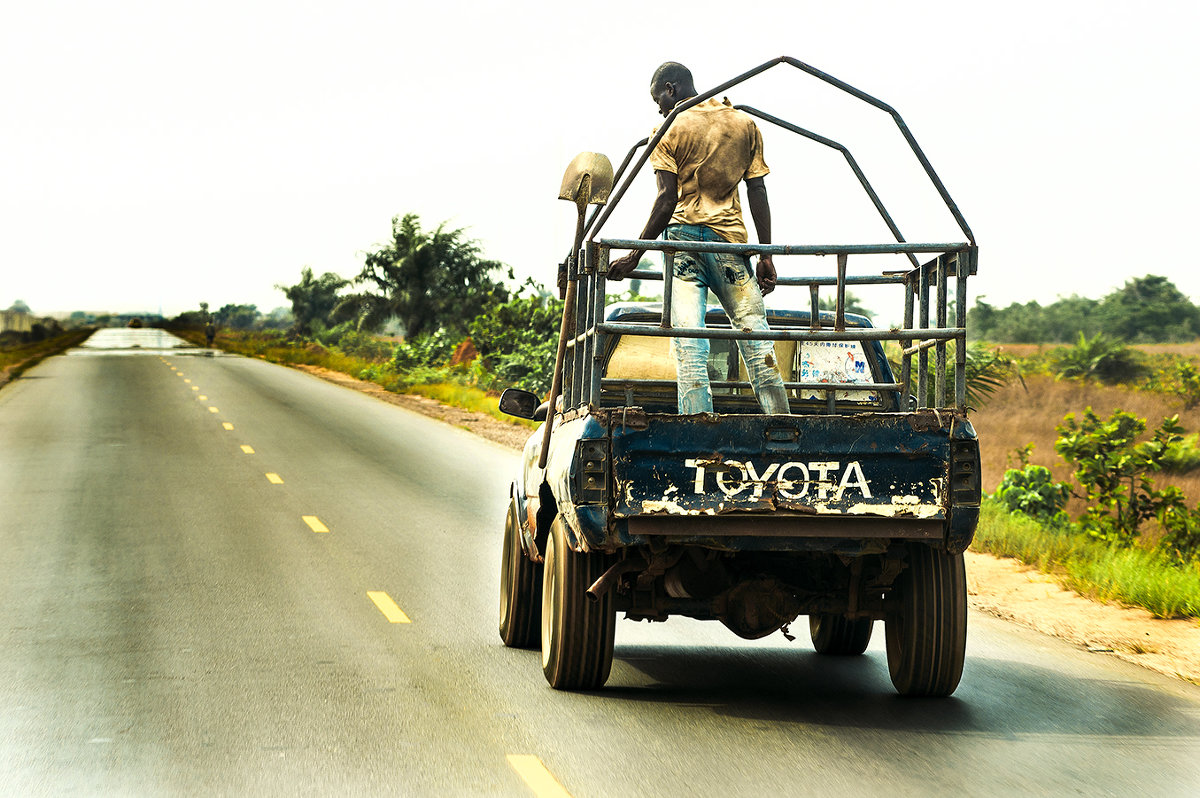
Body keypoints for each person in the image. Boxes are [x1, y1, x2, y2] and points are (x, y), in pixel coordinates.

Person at [609, 62, 789, 415]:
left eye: (658, 96)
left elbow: (666, 200)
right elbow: (758, 190)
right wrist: (766, 254)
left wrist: (634, 255)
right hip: (728, 244)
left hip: (683, 245)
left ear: (671, 89)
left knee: (690, 343)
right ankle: (782, 423)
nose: (658, 106)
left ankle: (697, 423)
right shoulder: (742, 123)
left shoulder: (667, 128)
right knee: (756, 337)